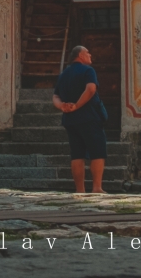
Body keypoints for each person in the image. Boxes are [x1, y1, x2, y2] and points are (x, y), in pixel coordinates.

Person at [51, 45, 106, 194]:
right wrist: (76, 106)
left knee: (77, 154)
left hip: (70, 120)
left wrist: (62, 106)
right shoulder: (88, 71)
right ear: (80, 55)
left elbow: (55, 96)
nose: (90, 55)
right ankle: (96, 187)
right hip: (89, 117)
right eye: (87, 53)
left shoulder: (63, 74)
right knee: (97, 152)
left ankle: (80, 190)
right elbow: (91, 89)